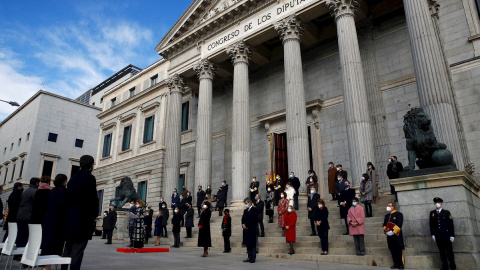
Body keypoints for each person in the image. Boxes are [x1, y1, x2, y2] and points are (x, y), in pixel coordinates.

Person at [62, 155, 98, 270]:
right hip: (83, 219)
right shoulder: (90, 178)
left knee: (68, 247)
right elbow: (93, 198)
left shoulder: (73, 178)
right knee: (78, 250)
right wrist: (94, 214)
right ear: (91, 165)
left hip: (70, 218)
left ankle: (63, 268)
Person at [41, 174, 68, 257]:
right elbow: (64, 206)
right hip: (58, 221)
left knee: (47, 242)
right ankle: (49, 264)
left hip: (48, 219)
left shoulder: (52, 191)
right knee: (57, 244)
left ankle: (45, 265)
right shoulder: (63, 191)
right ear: (64, 181)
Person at [430, 197, 456, 270]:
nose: (437, 204)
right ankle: (444, 266)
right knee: (442, 252)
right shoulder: (432, 213)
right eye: (436, 202)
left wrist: (452, 235)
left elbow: (450, 224)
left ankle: (453, 266)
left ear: (441, 203)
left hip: (447, 236)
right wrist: (432, 234)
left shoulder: (446, 212)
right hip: (438, 236)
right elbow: (431, 224)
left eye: (438, 202)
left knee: (449, 252)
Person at [16, 177, 40, 247]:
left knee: (20, 234)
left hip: (20, 214)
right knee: (25, 234)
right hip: (28, 215)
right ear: (36, 183)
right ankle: (22, 251)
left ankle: (18, 251)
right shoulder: (35, 191)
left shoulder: (25, 191)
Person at [383, 202, 405, 269]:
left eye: (390, 206)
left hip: (396, 235)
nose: (388, 207)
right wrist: (386, 231)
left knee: (398, 249)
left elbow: (399, 224)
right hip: (389, 236)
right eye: (387, 206)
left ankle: (401, 264)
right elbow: (384, 225)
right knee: (392, 249)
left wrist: (393, 231)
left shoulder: (398, 214)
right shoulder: (386, 216)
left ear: (393, 207)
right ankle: (395, 263)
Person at [242, 198, 258, 263]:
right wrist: (243, 224)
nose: (246, 205)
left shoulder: (254, 210)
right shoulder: (245, 211)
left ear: (250, 203)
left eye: (246, 203)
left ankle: (253, 257)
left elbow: (252, 219)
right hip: (246, 230)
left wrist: (246, 224)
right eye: (245, 204)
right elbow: (243, 218)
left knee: (252, 244)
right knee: (248, 244)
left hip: (252, 229)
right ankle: (249, 256)